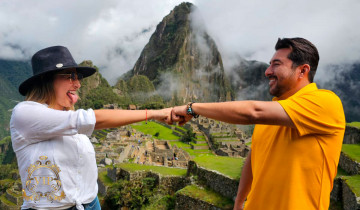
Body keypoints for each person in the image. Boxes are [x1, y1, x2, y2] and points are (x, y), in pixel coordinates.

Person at [171, 38, 345, 210]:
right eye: (269, 64)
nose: (267, 71)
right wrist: (239, 201)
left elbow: (252, 112)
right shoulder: (273, 113)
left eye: (276, 64)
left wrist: (192, 109)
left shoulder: (326, 103)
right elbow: (253, 158)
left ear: (302, 70)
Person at [10, 46, 172, 210]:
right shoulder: (24, 114)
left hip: (90, 203)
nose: (78, 84)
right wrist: (154, 113)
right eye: (71, 77)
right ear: (47, 80)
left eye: (78, 77)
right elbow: (92, 119)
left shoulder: (69, 118)